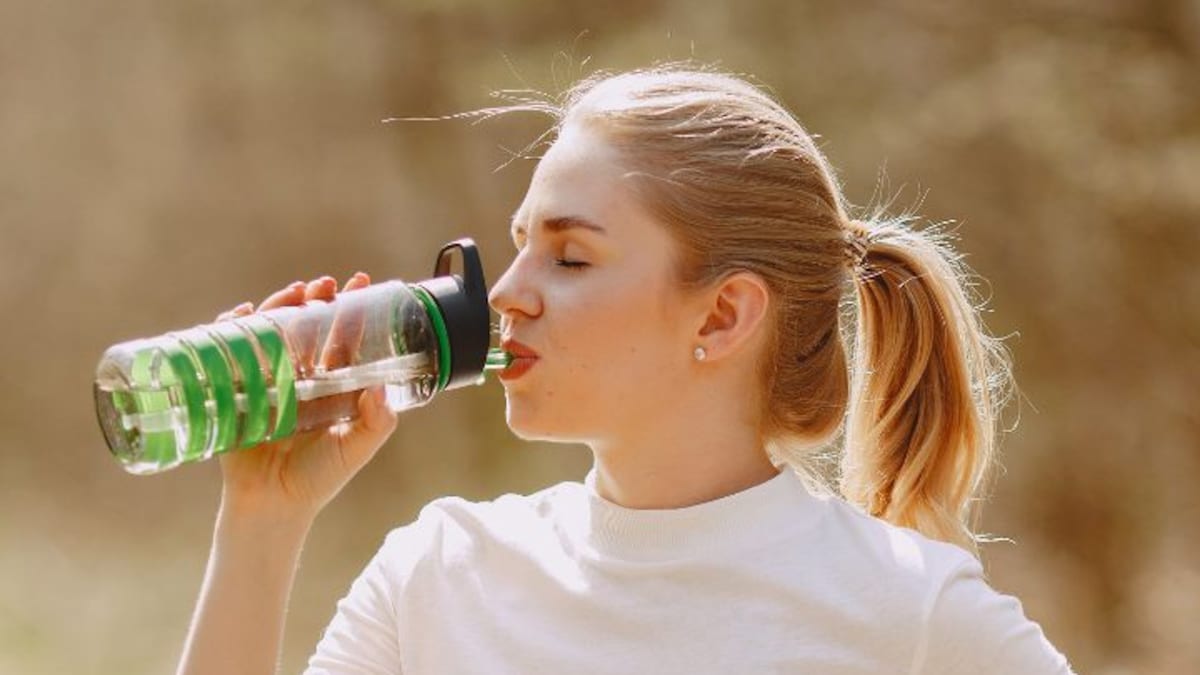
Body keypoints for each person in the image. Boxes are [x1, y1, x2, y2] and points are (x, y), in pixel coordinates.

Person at [175, 65, 1074, 674]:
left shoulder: (909, 611)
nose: (507, 294)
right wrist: (261, 520)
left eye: (569, 259)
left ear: (722, 315)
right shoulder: (440, 573)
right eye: (522, 245)